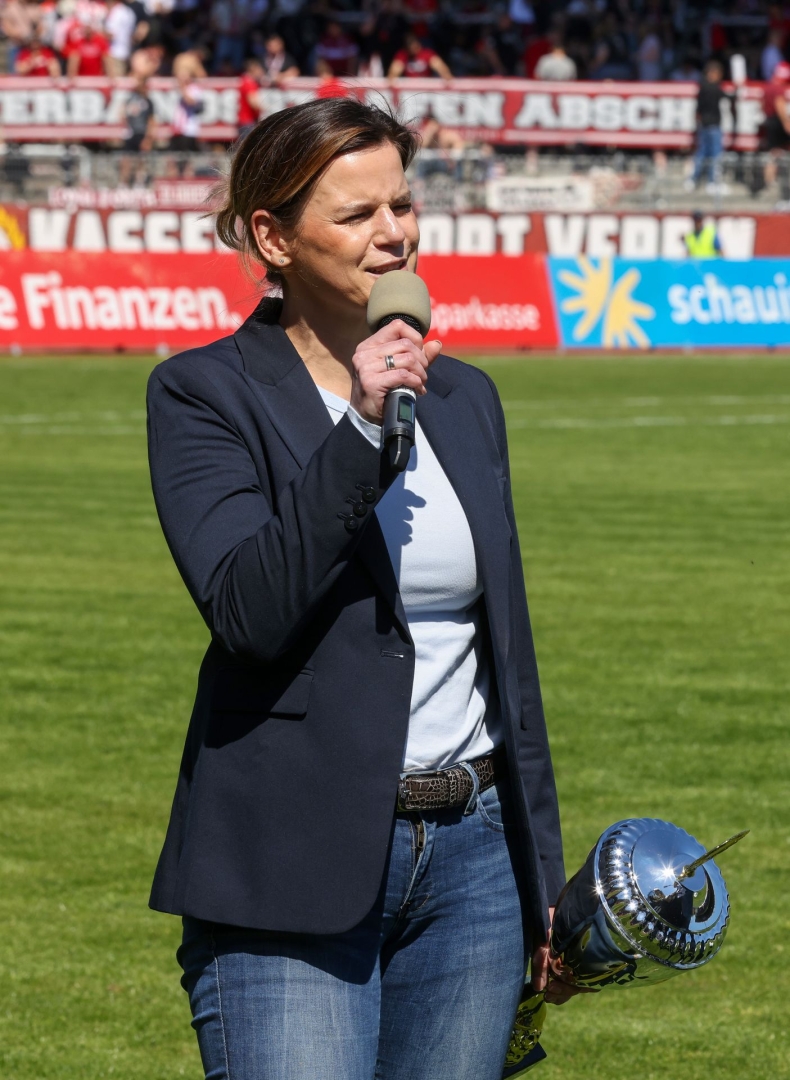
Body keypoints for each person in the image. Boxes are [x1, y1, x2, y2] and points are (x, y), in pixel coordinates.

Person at [147, 97, 578, 1080]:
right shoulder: (202, 392)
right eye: (356, 214)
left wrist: (539, 875)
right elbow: (249, 612)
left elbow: (508, 661)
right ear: (273, 236)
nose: (394, 233)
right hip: (290, 858)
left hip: (474, 867)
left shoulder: (465, 395)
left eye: (402, 203)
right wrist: (361, 430)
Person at [687, 59, 735, 191]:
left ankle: (693, 179)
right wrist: (739, 89)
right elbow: (727, 96)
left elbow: (697, 109)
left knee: (702, 152)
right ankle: (711, 181)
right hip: (713, 125)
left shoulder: (702, 87)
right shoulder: (713, 88)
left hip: (703, 124)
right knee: (715, 153)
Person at [762, 60, 790, 191]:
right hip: (777, 122)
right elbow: (780, 105)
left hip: (770, 120)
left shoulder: (768, 87)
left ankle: (770, 180)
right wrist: (786, 122)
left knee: (773, 153)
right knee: (776, 152)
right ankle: (772, 180)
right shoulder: (778, 89)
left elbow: (762, 105)